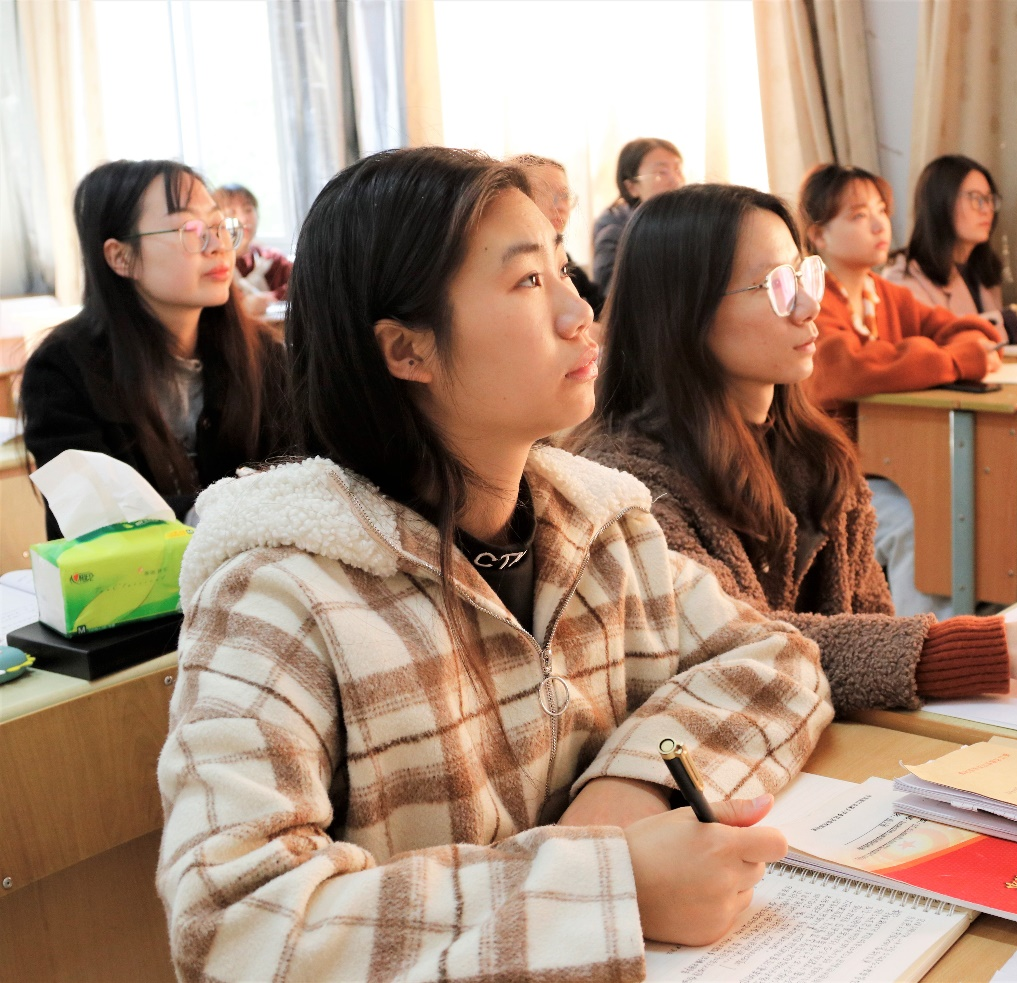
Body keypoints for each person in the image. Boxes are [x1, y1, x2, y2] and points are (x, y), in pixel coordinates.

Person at [154, 148, 831, 981]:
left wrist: (628, 788)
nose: (579, 312)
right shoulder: (281, 594)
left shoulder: (600, 527)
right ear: (407, 350)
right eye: (527, 281)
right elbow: (235, 926)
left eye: (562, 269)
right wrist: (607, 885)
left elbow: (776, 660)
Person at [574, 183, 1017, 717]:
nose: (809, 305)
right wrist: (982, 649)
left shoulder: (815, 456)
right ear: (682, 311)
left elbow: (870, 621)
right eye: (775, 285)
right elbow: (737, 647)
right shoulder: (628, 486)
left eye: (803, 275)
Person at [20, 160, 288, 539]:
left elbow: (302, 477)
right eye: (190, 230)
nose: (218, 246)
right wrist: (236, 512)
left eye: (218, 226)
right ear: (122, 257)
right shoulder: (61, 371)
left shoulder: (264, 354)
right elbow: (97, 523)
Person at [798, 162, 1004, 618]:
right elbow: (846, 367)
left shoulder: (883, 293)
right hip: (824, 476)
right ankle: (925, 646)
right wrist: (953, 360)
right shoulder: (812, 299)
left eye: (881, 211)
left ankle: (968, 627)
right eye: (858, 215)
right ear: (818, 235)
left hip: (884, 465)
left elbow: (965, 329)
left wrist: (957, 349)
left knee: (976, 499)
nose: (879, 225)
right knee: (922, 524)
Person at [884, 154, 1017, 344]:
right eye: (976, 198)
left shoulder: (982, 270)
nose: (986, 209)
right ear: (941, 202)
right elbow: (930, 339)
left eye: (989, 199)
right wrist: (1013, 323)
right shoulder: (904, 275)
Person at [508, 153, 604, 317]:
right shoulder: (513, 265)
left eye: (565, 196)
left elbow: (602, 305)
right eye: (543, 193)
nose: (560, 207)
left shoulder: (563, 260)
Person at [590, 137, 683, 287]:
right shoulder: (614, 230)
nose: (676, 180)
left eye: (677, 170)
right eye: (661, 172)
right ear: (631, 187)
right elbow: (611, 291)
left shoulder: (684, 222)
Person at [213, 182, 292, 319]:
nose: (243, 219)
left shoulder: (271, 260)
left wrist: (270, 298)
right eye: (231, 212)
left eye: (248, 210)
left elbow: (303, 284)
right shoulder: (213, 264)